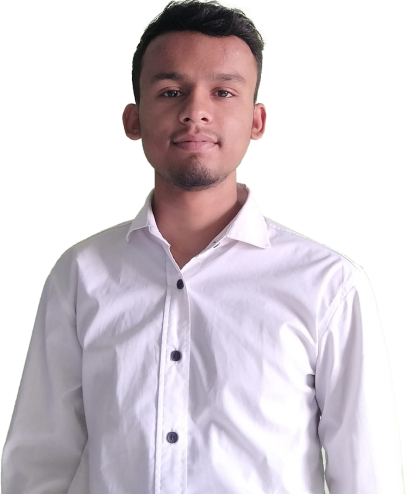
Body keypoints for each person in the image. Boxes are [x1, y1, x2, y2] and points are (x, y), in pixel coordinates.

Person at [1, 1, 403, 493]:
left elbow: (369, 477)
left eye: (223, 92)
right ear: (133, 119)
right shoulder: (82, 273)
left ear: (257, 121)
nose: (195, 111)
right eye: (171, 91)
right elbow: (40, 462)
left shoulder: (331, 285)